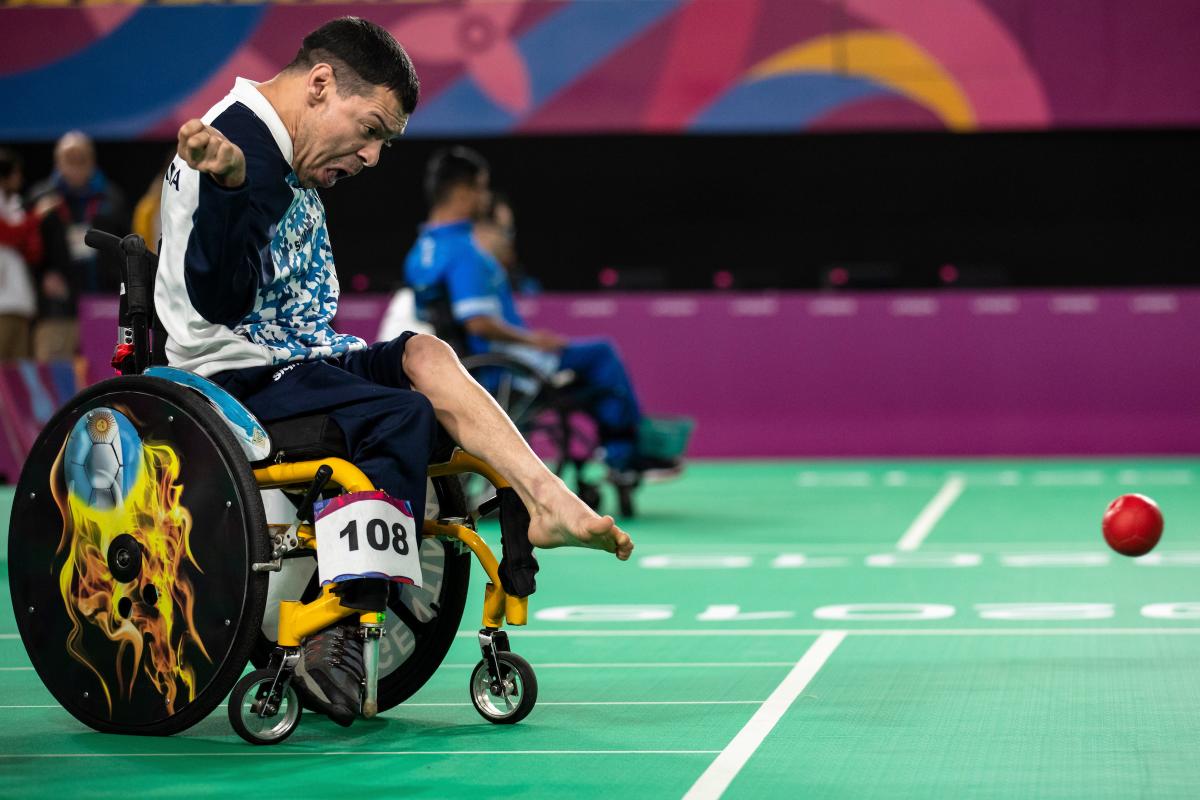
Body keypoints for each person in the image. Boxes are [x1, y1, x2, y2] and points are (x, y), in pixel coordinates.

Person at [159, 16, 632, 728]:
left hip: (298, 357)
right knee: (400, 413)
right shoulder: (241, 148)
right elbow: (217, 300)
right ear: (321, 85)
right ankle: (345, 624)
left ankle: (545, 499)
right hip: (235, 382)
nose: (375, 156)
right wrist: (228, 188)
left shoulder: (279, 148)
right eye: (372, 127)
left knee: (425, 355)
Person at [404, 147, 682, 481]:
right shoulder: (464, 252)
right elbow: (477, 322)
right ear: (463, 190)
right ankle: (625, 455)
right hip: (499, 368)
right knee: (601, 357)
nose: (485, 197)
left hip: (469, 362)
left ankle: (620, 450)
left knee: (590, 374)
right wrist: (533, 339)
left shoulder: (421, 251)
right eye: (482, 187)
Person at [0, 148, 40, 359]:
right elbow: (7, 234)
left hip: (18, 301)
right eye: (16, 173)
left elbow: (31, 249)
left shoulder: (16, 205)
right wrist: (37, 217)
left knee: (17, 369)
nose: (20, 179)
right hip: (2, 303)